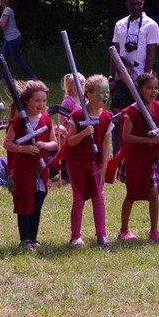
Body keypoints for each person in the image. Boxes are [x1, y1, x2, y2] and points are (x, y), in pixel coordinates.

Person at [106, 72, 159, 242]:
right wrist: (148, 140)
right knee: (132, 193)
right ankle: (124, 229)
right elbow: (126, 136)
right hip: (135, 158)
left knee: (153, 193)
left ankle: (154, 230)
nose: (154, 91)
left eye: (156, 87)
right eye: (149, 88)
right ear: (140, 90)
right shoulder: (131, 112)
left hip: (152, 156)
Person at [53, 74, 112, 247]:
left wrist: (104, 166)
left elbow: (106, 143)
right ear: (89, 95)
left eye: (107, 92)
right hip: (77, 162)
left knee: (98, 197)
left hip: (95, 163)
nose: (105, 96)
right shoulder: (78, 116)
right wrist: (84, 133)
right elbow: (70, 141)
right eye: (101, 92)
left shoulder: (106, 117)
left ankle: (101, 235)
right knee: (79, 198)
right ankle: (75, 237)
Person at [4, 80, 57, 250]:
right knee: (25, 203)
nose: (41, 104)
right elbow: (7, 143)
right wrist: (23, 148)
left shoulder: (46, 119)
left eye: (44, 100)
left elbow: (54, 143)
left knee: (38, 201)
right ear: (27, 101)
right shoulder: (18, 121)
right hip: (23, 170)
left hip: (40, 170)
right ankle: (24, 240)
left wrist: (44, 145)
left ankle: (33, 238)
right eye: (37, 100)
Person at [110, 0, 159, 112]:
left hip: (140, 77)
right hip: (122, 77)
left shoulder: (151, 25)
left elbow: (151, 54)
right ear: (127, 4)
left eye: (139, 3)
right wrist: (111, 76)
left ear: (143, 4)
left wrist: (145, 78)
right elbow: (114, 52)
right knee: (119, 112)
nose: (136, 7)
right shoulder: (120, 24)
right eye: (132, 4)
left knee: (141, 112)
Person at [0, 0, 36, 79]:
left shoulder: (7, 10)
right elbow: (0, 25)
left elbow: (2, 25)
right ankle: (3, 78)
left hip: (13, 38)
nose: (0, 0)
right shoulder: (5, 10)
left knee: (18, 60)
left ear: (7, 0)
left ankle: (33, 77)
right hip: (8, 39)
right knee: (3, 59)